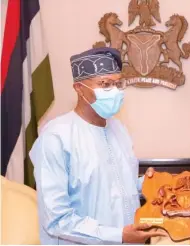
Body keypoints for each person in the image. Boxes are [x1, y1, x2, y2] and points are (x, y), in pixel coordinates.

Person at [29, 47, 166, 244]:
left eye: (118, 84)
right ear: (79, 88)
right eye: (105, 84)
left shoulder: (118, 129)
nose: (115, 91)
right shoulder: (56, 137)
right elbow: (56, 219)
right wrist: (118, 235)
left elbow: (117, 186)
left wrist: (149, 183)